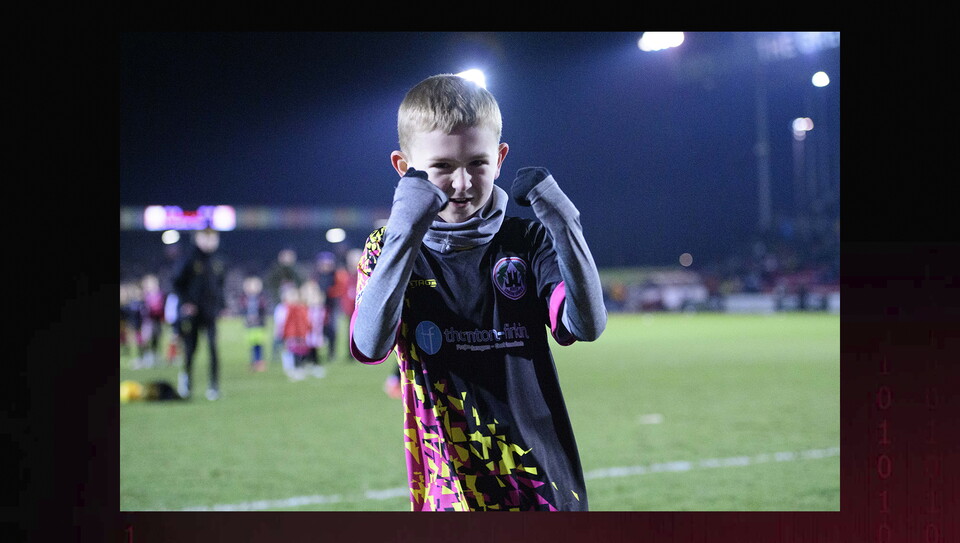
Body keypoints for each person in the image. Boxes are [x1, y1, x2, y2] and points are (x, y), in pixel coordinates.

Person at [350, 74, 606, 511]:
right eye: (442, 167)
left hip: (541, 486)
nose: (463, 183)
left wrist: (566, 224)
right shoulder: (385, 249)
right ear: (403, 167)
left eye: (478, 163)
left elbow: (586, 323)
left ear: (501, 157)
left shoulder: (527, 241)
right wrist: (402, 236)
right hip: (449, 490)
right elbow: (369, 345)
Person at [172, 227, 226, 401]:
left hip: (210, 313)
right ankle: (186, 382)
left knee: (213, 348)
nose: (210, 241)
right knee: (190, 349)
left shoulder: (217, 261)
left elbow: (219, 286)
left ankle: (214, 386)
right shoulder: (189, 259)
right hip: (193, 313)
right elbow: (176, 283)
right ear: (197, 238)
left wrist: (221, 305)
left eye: (213, 238)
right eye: (206, 238)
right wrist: (186, 303)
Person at [313, 251, 350, 361]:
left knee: (332, 330)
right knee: (318, 330)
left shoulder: (336, 275)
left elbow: (340, 289)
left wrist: (329, 293)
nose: (325, 266)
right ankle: (314, 355)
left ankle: (331, 353)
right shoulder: (316, 276)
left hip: (332, 306)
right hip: (318, 306)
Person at [240, 275, 269, 372]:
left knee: (259, 345)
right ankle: (253, 362)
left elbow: (263, 310)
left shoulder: (260, 298)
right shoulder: (245, 299)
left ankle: (260, 362)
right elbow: (243, 310)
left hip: (259, 325)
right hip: (250, 326)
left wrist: (259, 319)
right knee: (252, 345)